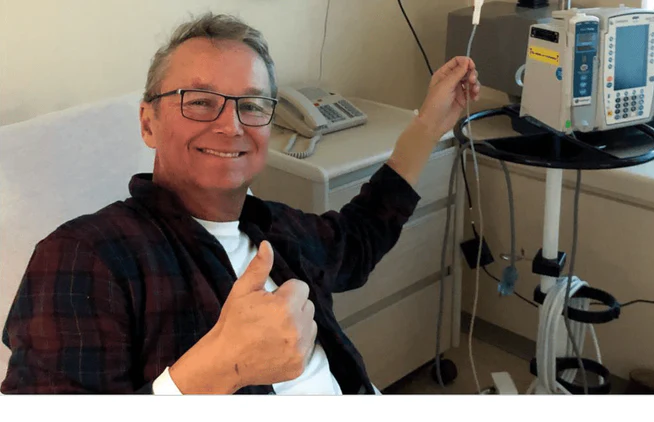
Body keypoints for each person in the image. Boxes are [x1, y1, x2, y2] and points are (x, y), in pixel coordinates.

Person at [0, 12, 480, 395]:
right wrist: (217, 370)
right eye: (199, 101)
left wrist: (428, 126)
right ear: (148, 123)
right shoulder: (88, 257)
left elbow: (358, 238)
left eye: (251, 105)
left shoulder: (277, 229)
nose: (231, 126)